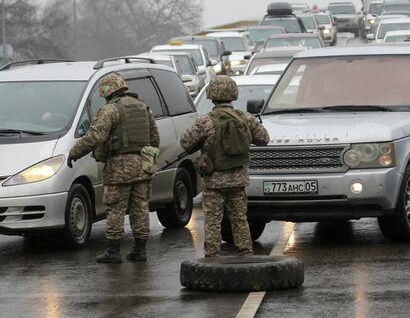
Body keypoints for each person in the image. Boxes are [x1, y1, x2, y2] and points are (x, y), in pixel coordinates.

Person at [68, 73, 160, 262]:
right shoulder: (143, 106)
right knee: (140, 208)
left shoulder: (110, 110)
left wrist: (74, 153)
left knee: (115, 209)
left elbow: (95, 137)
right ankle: (140, 250)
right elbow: (155, 138)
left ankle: (113, 251)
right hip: (143, 166)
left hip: (119, 168)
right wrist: (148, 161)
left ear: (106, 92)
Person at [181, 75, 269, 257]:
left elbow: (186, 143)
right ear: (233, 94)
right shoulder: (245, 118)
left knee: (213, 220)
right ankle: (245, 252)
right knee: (239, 218)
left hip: (214, 180)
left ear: (212, 95)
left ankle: (212, 255)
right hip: (238, 179)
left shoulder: (206, 121)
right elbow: (264, 139)